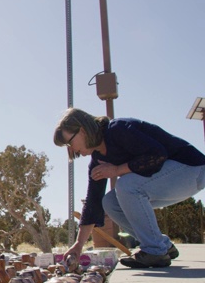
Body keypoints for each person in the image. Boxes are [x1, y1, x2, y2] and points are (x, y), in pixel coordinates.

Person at [54, 108, 205, 268]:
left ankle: (155, 251)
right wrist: (78, 245)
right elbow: (93, 203)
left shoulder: (117, 130)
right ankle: (162, 245)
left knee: (125, 185)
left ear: (82, 130)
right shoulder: (98, 159)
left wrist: (117, 170)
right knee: (110, 203)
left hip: (192, 169)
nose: (70, 149)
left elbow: (157, 155)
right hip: (171, 183)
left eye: (69, 142)